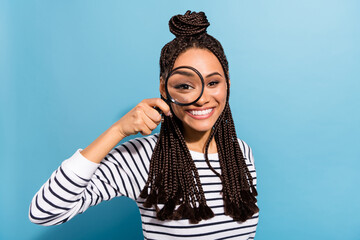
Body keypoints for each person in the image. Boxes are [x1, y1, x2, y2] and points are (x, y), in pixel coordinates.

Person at [29, 10, 259, 239]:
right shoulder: (142, 157)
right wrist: (117, 130)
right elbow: (44, 212)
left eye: (212, 82)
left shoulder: (240, 151)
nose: (201, 98)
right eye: (184, 86)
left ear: (227, 83)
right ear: (163, 87)